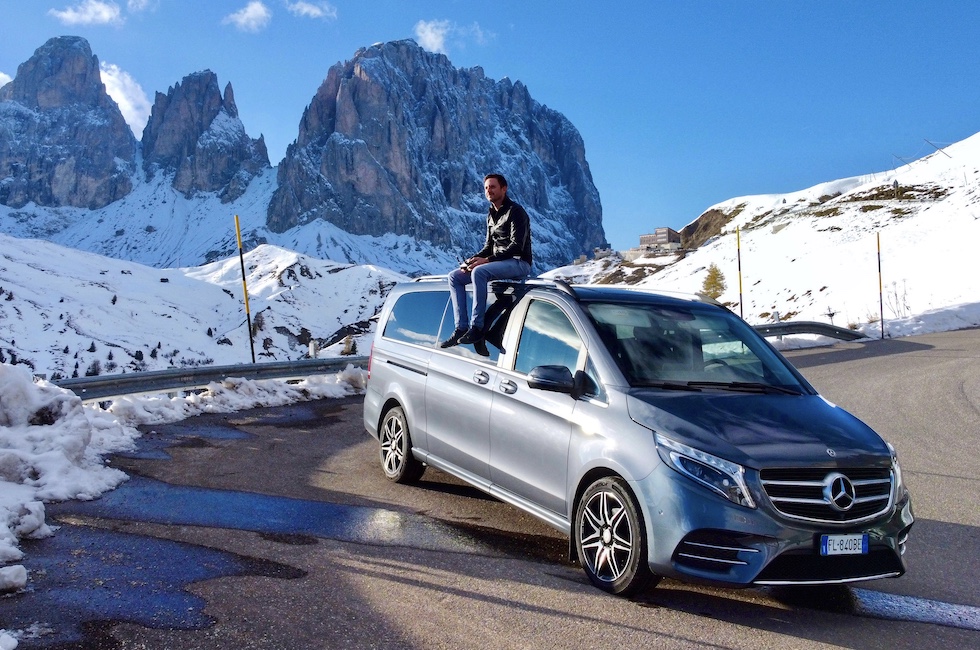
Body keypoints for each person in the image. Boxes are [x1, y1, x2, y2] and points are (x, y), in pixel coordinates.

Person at [440, 173, 532, 348]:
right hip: (498, 263)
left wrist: (486, 261)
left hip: (519, 262)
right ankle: (461, 328)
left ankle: (477, 327)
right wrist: (473, 259)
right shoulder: (490, 215)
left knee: (479, 271)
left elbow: (517, 246)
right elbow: (489, 245)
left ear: (504, 189)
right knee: (455, 276)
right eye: (486, 188)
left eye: (493, 187)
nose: (489, 191)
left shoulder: (516, 212)